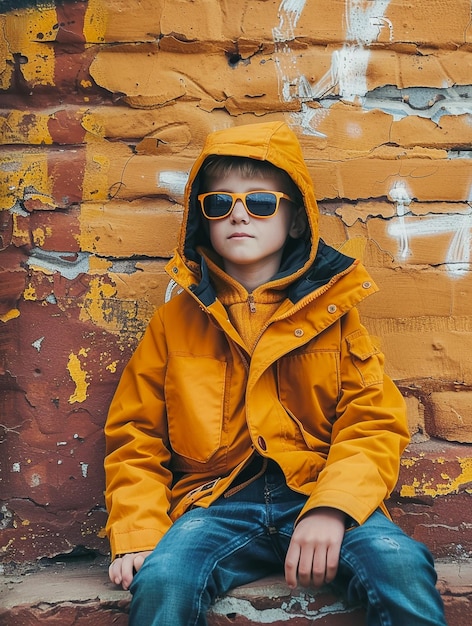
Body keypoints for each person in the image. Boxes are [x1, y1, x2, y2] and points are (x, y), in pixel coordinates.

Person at [104, 120, 447, 626]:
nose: (238, 215)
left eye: (261, 202)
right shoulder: (176, 323)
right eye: (219, 204)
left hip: (317, 490)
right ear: (202, 219)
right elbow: (136, 435)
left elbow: (372, 421)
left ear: (294, 219)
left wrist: (333, 508)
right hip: (214, 502)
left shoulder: (334, 313)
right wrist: (137, 533)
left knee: (400, 563)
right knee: (163, 578)